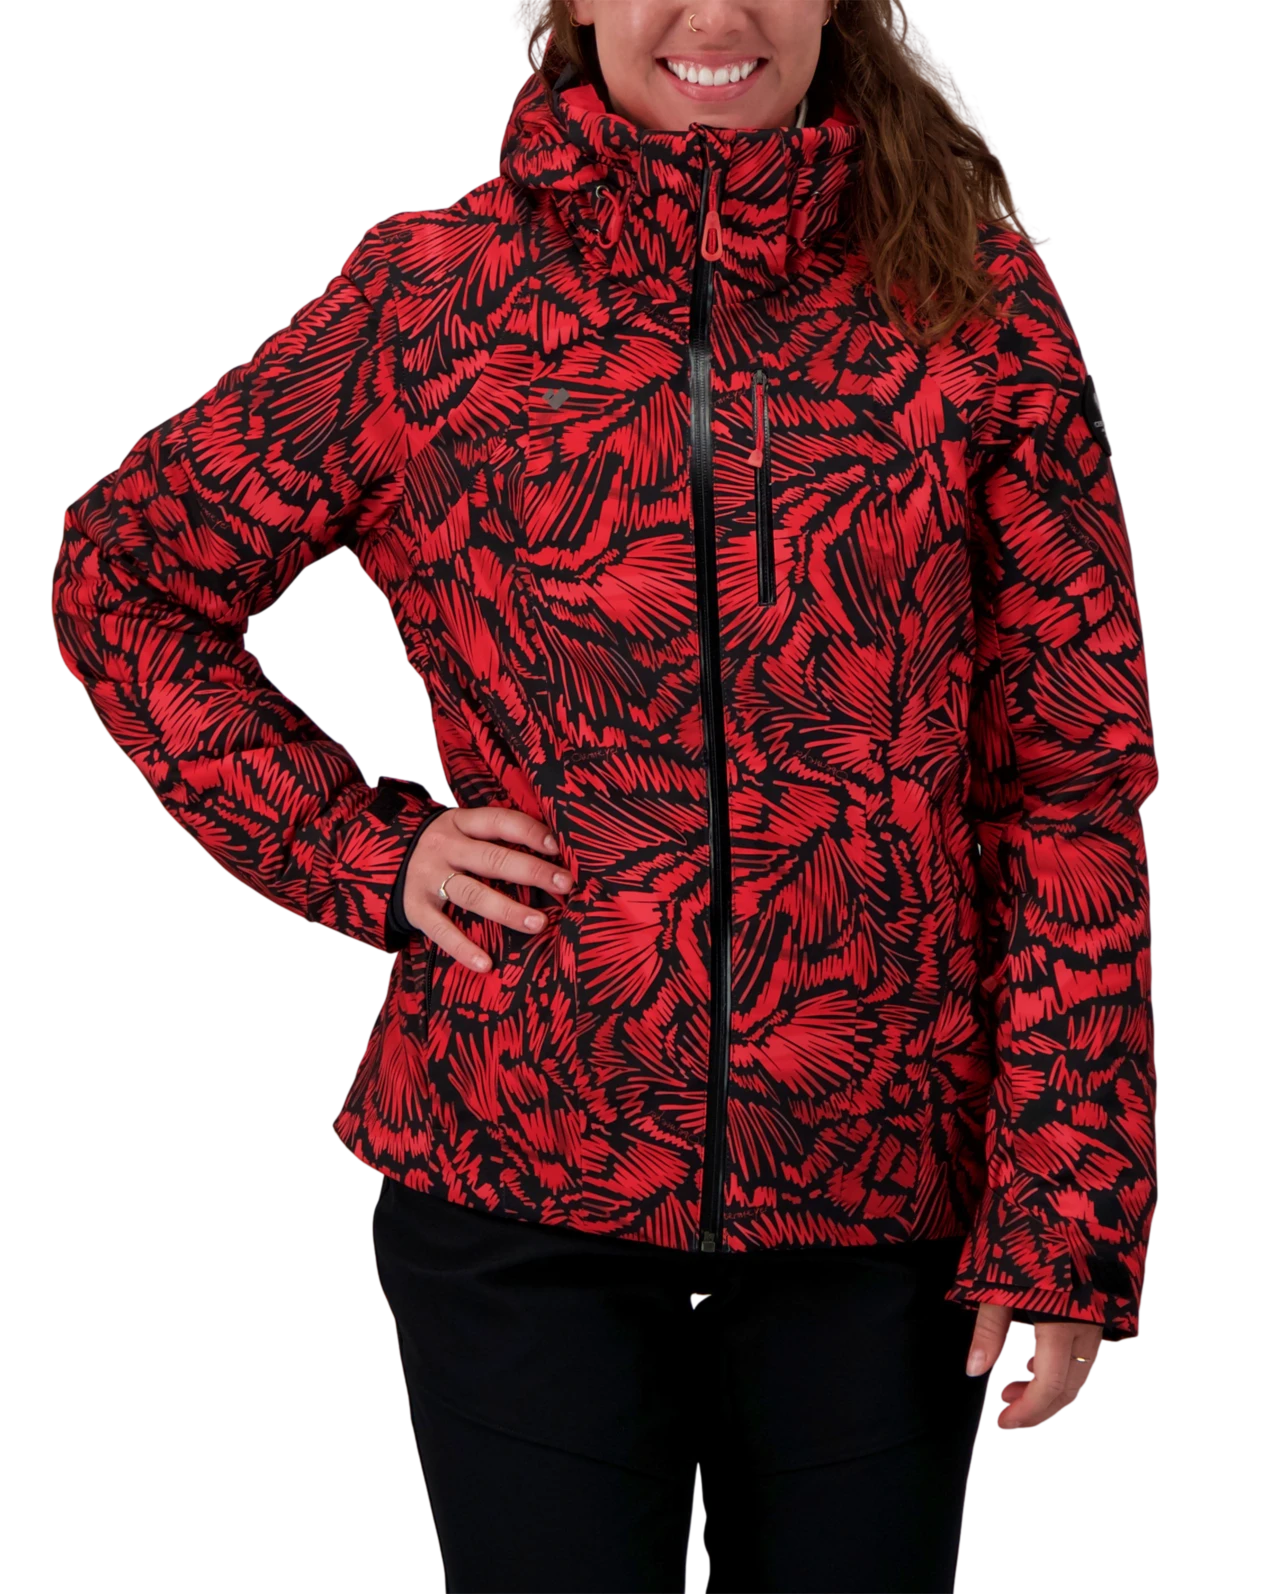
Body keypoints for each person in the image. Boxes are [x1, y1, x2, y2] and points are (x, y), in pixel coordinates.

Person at [50, 1, 1158, 1589]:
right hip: (516, 1187)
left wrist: (1062, 1209)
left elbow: (1074, 781)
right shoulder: (433, 292)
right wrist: (361, 845)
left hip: (876, 1202)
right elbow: (125, 574)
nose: (714, 16)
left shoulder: (970, 299)